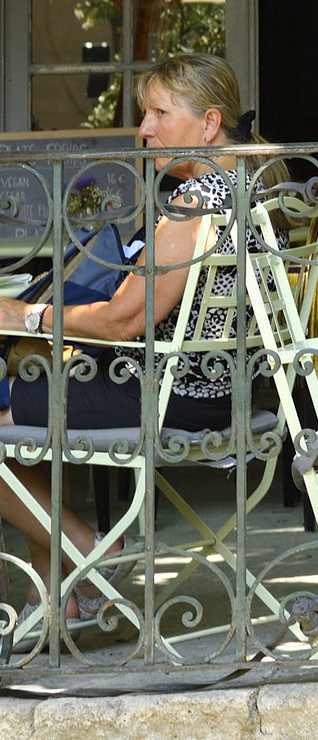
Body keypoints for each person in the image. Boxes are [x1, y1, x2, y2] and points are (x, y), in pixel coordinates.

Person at [0, 52, 262, 622]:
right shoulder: (253, 186)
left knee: (9, 403)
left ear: (210, 123)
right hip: (223, 390)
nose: (144, 129)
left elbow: (124, 320)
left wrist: (27, 316)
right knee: (33, 393)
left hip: (170, 398)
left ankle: (91, 551)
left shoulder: (198, 202)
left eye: (159, 113)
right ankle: (53, 593)